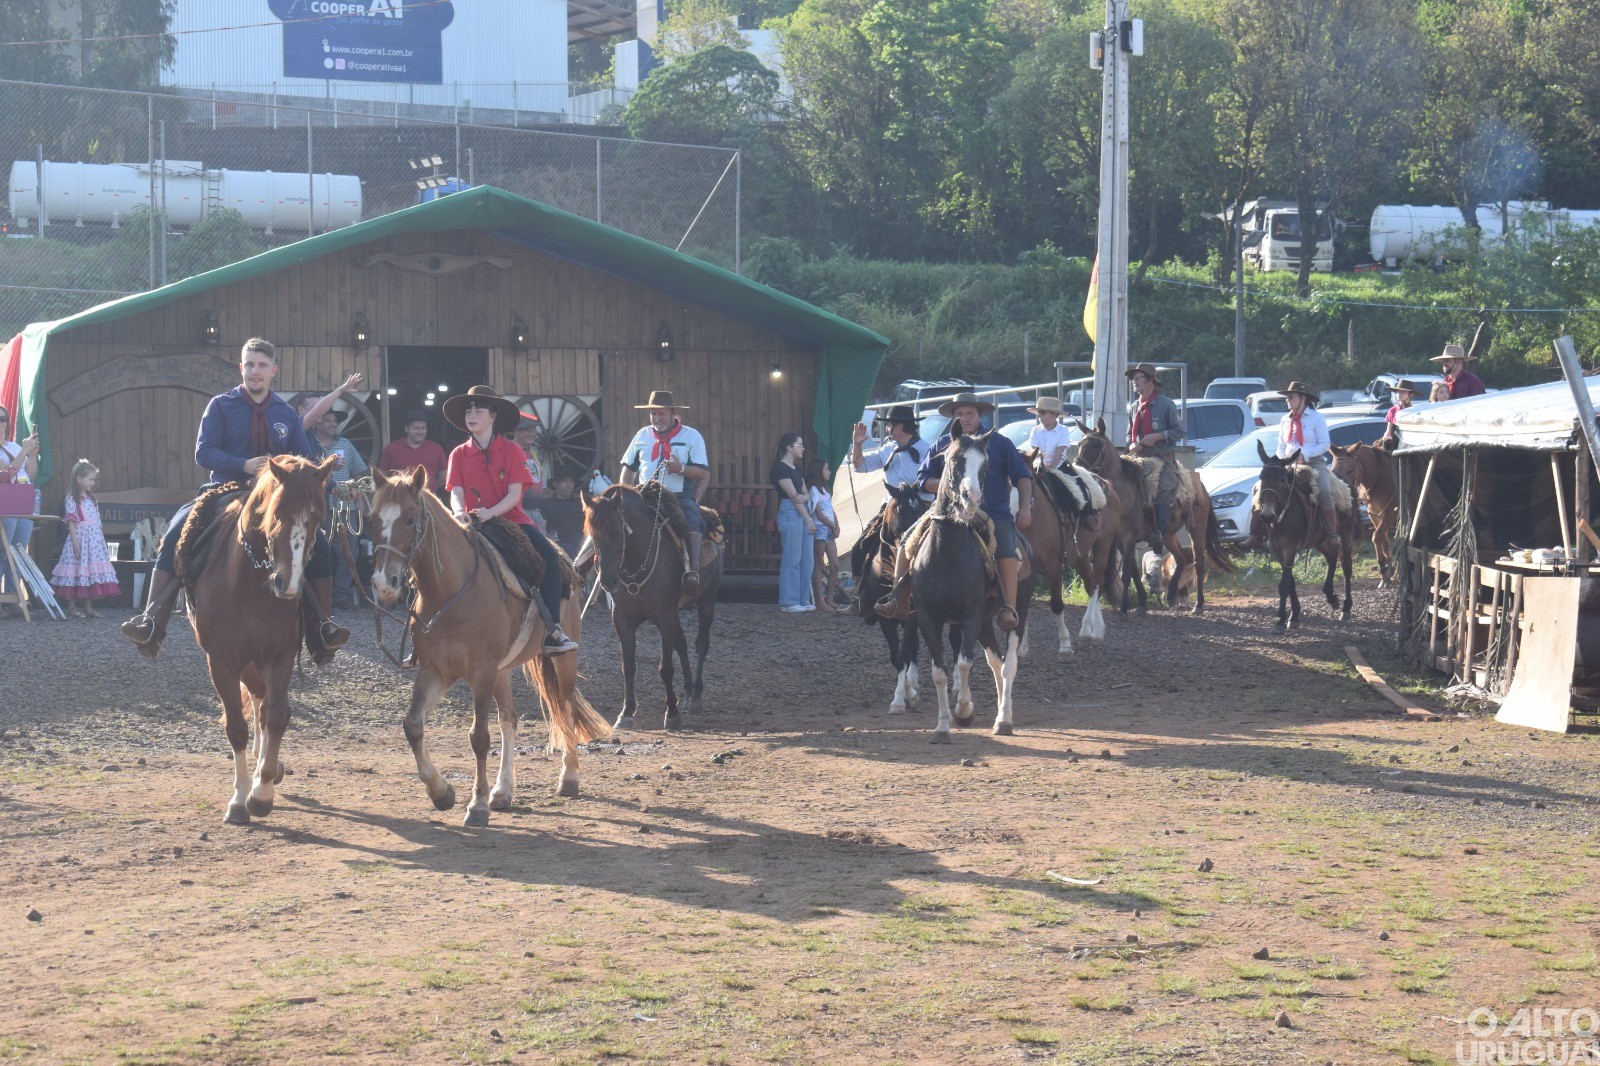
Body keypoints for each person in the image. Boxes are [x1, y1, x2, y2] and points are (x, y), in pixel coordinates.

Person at [121, 338, 350, 662]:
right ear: (242, 368)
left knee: (322, 546)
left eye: (262, 365)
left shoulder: (286, 414)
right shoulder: (220, 406)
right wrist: (241, 464)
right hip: (226, 489)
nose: (255, 372)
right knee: (177, 529)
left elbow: (305, 458)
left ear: (273, 370)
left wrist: (314, 476)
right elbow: (204, 452)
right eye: (250, 365)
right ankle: (152, 621)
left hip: (276, 498)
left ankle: (321, 629)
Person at [877, 393, 1033, 630]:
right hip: (948, 513)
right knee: (908, 540)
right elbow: (923, 479)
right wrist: (949, 485)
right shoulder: (941, 445)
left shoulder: (1000, 443)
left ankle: (1007, 608)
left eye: (970, 413)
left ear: (979, 415)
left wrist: (1024, 507)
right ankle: (898, 600)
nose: (964, 418)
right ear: (953, 417)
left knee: (1006, 548)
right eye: (959, 414)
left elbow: (1022, 477)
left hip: (993, 513)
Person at [441, 385, 577, 655]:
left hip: (511, 521)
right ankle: (424, 636)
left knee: (550, 558)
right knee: (431, 556)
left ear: (493, 416)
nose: (472, 414)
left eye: (478, 410)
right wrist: (458, 512)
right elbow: (456, 492)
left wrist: (491, 512)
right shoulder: (458, 453)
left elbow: (515, 494)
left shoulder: (513, 450)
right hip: (468, 522)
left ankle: (554, 632)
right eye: (468, 410)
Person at [619, 391, 710, 596]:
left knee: (692, 518)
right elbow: (629, 468)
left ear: (673, 413)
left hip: (679, 496)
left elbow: (703, 472)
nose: (657, 419)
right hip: (644, 495)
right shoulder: (641, 435)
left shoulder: (692, 436)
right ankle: (598, 566)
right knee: (614, 520)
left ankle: (692, 571)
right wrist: (625, 494)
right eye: (653, 414)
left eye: (661, 414)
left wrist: (682, 469)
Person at [310, 409, 369, 610]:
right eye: (328, 420)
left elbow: (361, 471)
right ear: (317, 423)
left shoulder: (345, 444)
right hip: (319, 507)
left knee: (349, 552)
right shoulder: (310, 446)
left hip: (346, 506)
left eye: (335, 421)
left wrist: (357, 489)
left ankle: (340, 594)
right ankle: (317, 595)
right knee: (319, 550)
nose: (333, 424)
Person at [1275, 381, 1341, 548]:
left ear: (1302, 398)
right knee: (1266, 488)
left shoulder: (1317, 418)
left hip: (1314, 461)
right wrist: (1281, 460)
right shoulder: (1284, 420)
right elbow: (1281, 446)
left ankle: (1332, 534)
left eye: (1291, 397)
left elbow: (1325, 444)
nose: (1287, 400)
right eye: (1287, 398)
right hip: (1289, 464)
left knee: (1325, 490)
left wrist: (1306, 454)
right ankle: (1261, 533)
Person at [50, 459, 119, 618]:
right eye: (90, 479)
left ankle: (88, 608)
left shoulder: (92, 499)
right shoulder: (71, 498)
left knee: (88, 572)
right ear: (79, 479)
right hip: (80, 539)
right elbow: (71, 523)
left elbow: (96, 522)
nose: (93, 483)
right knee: (75, 570)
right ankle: (72, 607)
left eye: (94, 479)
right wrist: (75, 543)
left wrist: (100, 542)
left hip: (93, 542)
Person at [1125, 361, 1185, 541]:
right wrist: (1131, 444)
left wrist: (1158, 436)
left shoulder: (1166, 404)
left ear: (1150, 380)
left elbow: (1180, 432)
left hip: (1162, 457)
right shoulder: (1134, 407)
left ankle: (1160, 531)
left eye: (1138, 377)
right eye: (1133, 378)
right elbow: (1129, 435)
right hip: (1139, 458)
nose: (1134, 381)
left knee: (1165, 487)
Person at [0, 408, 40, 617]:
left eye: (3, 418)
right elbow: (5, 475)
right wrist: (24, 451)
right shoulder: (18, 448)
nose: (0, 422)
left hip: (22, 503)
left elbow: (29, 474)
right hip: (3, 506)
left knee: (17, 552)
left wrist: (31, 455)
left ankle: (13, 600)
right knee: (1, 551)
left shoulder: (15, 446)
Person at [771, 432, 815, 612]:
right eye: (799, 445)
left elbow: (805, 494)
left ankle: (803, 600)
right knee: (793, 559)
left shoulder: (796, 469)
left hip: (802, 513)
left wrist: (804, 499)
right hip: (791, 512)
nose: (803, 448)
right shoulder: (780, 468)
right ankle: (789, 601)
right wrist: (808, 518)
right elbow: (793, 497)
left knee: (807, 560)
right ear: (789, 447)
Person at [850, 405, 928, 503]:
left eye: (888, 425)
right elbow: (861, 466)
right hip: (891, 509)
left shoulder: (928, 450)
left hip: (920, 509)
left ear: (900, 426)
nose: (886, 429)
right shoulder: (887, 449)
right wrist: (857, 445)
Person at [808, 457, 844, 613]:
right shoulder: (813, 490)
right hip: (821, 528)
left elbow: (830, 509)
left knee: (835, 564)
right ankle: (820, 600)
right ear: (819, 472)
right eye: (826, 469)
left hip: (829, 528)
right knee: (819, 564)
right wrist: (832, 525)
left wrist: (836, 524)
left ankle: (830, 598)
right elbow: (819, 513)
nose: (829, 472)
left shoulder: (825, 490)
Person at [379, 410, 448, 489]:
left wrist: (429, 488)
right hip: (400, 498)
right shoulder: (391, 448)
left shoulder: (436, 448)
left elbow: (444, 476)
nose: (420, 431)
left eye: (423, 428)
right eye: (416, 428)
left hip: (427, 499)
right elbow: (382, 475)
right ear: (406, 429)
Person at [1431, 311, 1489, 399]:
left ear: (1458, 361)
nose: (1444, 363)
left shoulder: (1472, 382)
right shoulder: (1443, 383)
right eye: (1443, 361)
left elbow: (1481, 406)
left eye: (1448, 360)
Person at [540, 468, 586, 557]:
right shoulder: (546, 504)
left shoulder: (581, 503)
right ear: (555, 484)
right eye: (564, 481)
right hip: (558, 548)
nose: (569, 485)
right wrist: (549, 539)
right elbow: (542, 529)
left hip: (581, 548)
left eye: (571, 481)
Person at [511, 413, 546, 530]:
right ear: (517, 431)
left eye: (534, 430)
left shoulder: (533, 452)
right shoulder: (510, 451)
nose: (532, 434)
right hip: (519, 512)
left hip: (535, 512)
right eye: (528, 431)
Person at [1025, 395, 1076, 471]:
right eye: (1039, 413)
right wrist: (1041, 465)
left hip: (1060, 466)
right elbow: (1033, 450)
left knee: (1072, 481)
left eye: (1043, 413)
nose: (1039, 416)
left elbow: (1059, 452)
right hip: (1038, 466)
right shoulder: (1036, 429)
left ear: (1054, 415)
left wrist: (1051, 467)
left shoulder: (1063, 430)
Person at [296, 373, 363, 430]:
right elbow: (316, 413)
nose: (321, 411)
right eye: (313, 407)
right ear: (301, 410)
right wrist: (340, 390)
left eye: (318, 406)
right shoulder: (297, 425)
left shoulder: (313, 431)